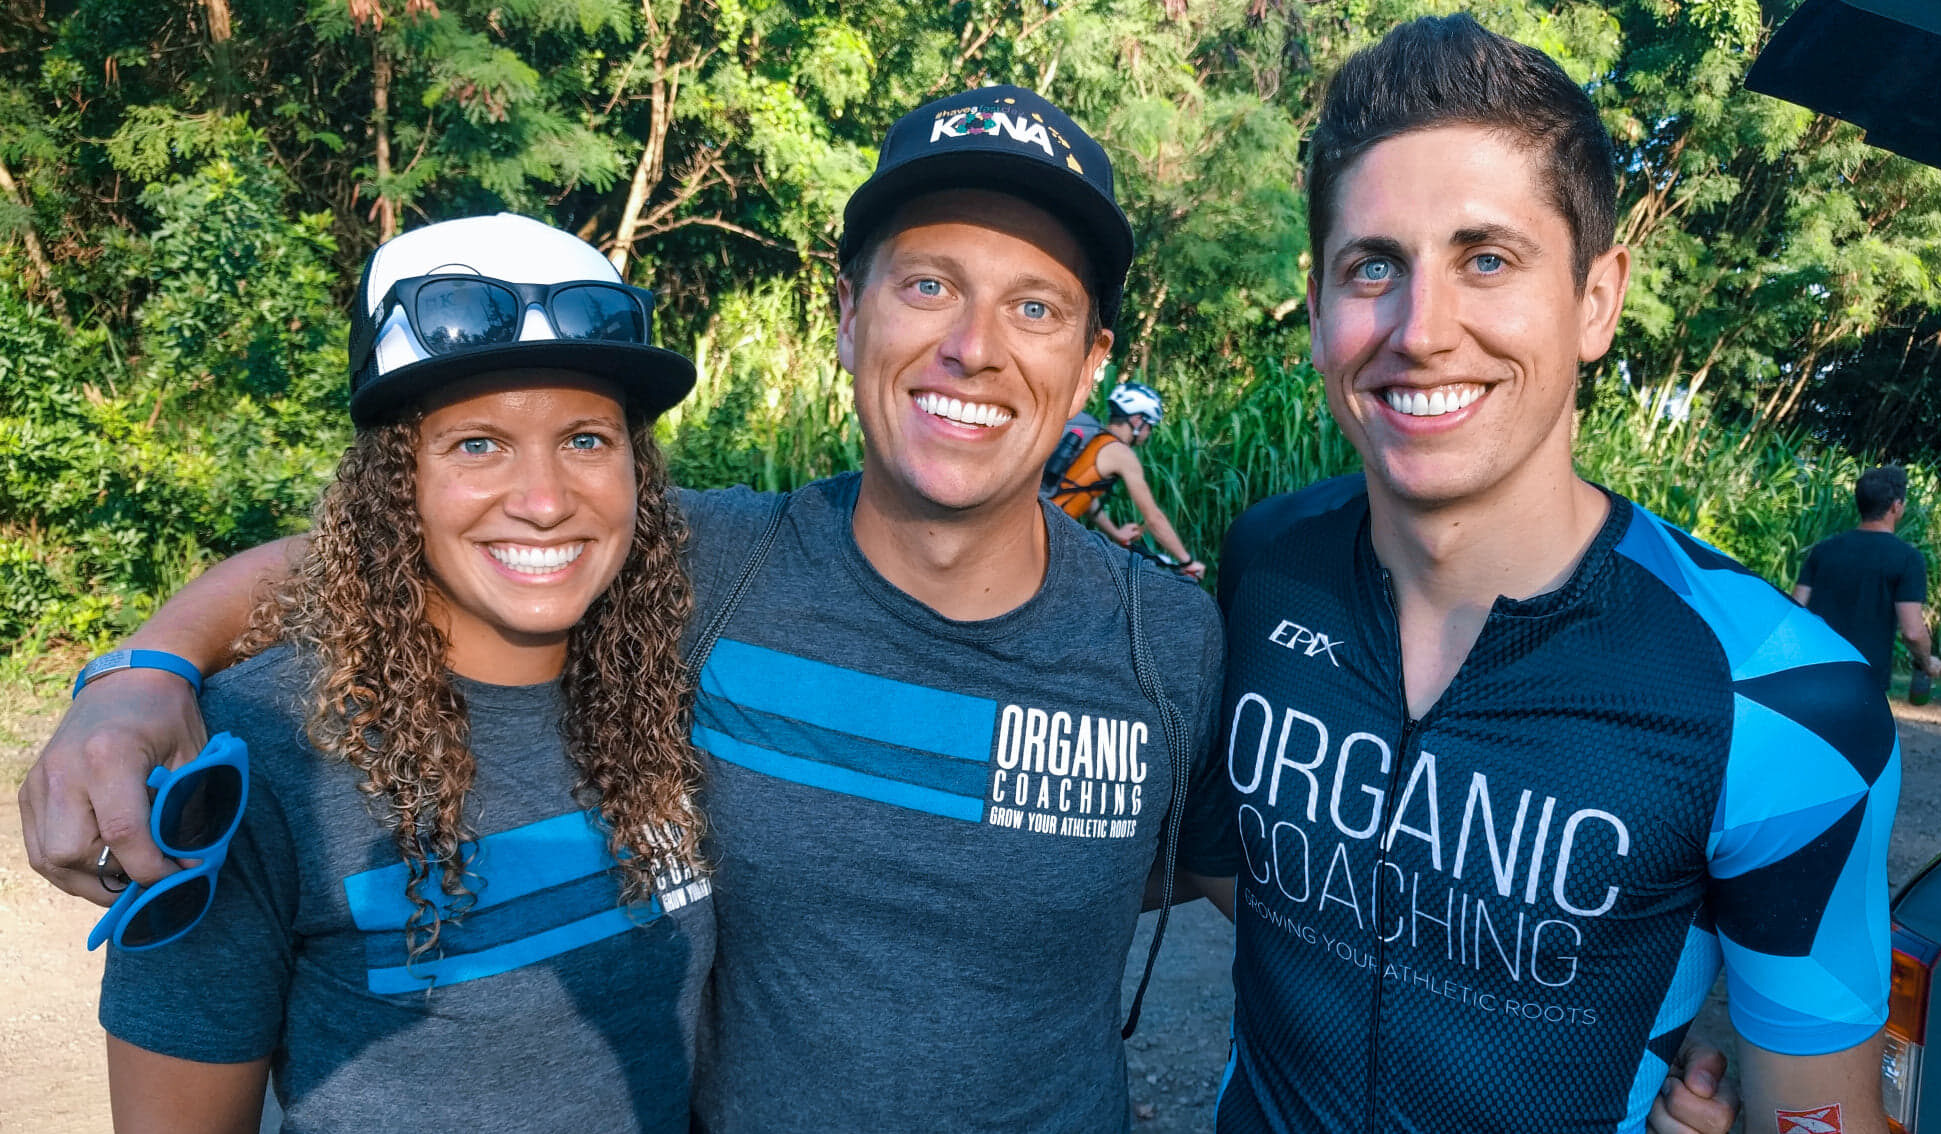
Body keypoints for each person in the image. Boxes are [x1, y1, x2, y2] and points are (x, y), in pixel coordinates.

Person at [17, 86, 1736, 1134]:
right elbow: (440, 531)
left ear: (1088, 364)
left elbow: (1325, 875)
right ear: (850, 316)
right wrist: (143, 670)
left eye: (1034, 303)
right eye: (927, 282)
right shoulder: (705, 557)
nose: (972, 345)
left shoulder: (1172, 642)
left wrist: (1705, 998)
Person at [1209, 16, 1899, 1134]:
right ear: (1323, 304)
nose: (1422, 331)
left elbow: (1815, 1114)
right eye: (1373, 265)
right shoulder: (1266, 563)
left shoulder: (1781, 700)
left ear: (1596, 298)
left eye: (1487, 258)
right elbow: (1253, 875)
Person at [97, 214, 714, 1132]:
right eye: (476, 444)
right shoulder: (258, 761)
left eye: (587, 438)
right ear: (396, 484)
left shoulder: (681, 665)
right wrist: (134, 678)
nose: (545, 501)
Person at [1794, 465, 1941, 696]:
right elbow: (1913, 632)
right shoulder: (1908, 559)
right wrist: (1927, 662)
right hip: (1863, 679)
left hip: (1813, 669)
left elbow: (1797, 609)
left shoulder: (1823, 550)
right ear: (1896, 506)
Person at [1045, 381, 1208, 579]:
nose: (1148, 434)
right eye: (1150, 426)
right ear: (1138, 420)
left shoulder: (1094, 438)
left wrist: (1115, 532)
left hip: (1040, 526)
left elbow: (1079, 491)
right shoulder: (1121, 454)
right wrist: (1187, 562)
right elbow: (1154, 519)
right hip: (1046, 537)